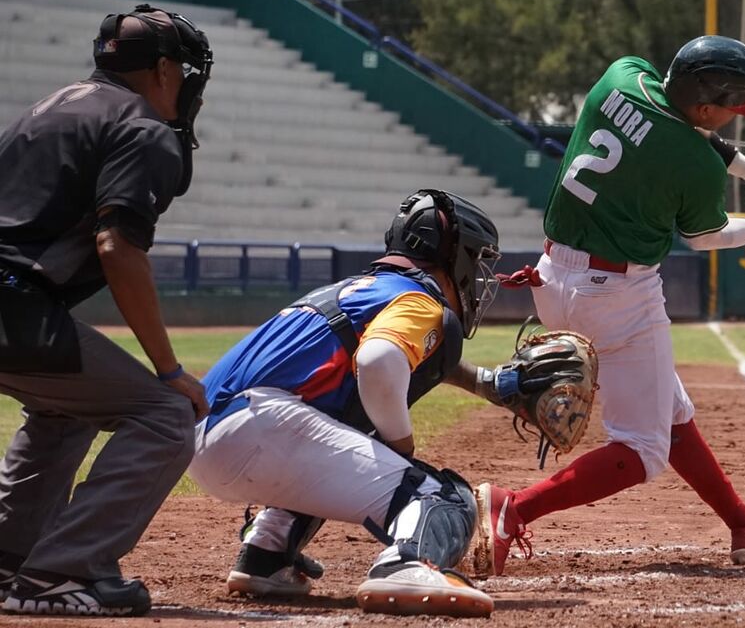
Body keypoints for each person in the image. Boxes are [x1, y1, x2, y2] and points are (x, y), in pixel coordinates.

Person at [470, 35, 745, 579]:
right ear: (707, 106)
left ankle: (744, 525)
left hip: (552, 280)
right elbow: (708, 235)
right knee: (643, 450)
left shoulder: (624, 74)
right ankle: (513, 508)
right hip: (615, 298)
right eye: (733, 109)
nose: (736, 118)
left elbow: (684, 131)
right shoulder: (694, 163)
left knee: (669, 410)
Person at [188, 189, 527, 618]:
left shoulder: (352, 290)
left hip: (207, 434)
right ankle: (407, 564)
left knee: (342, 432)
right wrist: (399, 446)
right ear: (453, 257)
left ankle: (266, 552)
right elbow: (380, 359)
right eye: (476, 262)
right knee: (442, 495)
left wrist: (487, 384)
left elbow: (387, 355)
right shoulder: (419, 300)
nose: (478, 278)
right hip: (261, 430)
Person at [0, 5, 213, 617]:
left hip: (18, 299)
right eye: (188, 72)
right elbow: (117, 247)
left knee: (67, 408)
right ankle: (59, 573)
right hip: (12, 301)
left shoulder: (50, 107)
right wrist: (170, 371)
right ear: (166, 70)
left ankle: (10, 559)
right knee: (165, 415)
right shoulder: (140, 125)